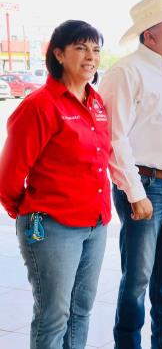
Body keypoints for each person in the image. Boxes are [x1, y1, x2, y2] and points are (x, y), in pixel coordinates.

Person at [0, 20, 110, 349]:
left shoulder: (96, 102)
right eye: (81, 48)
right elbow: (8, 173)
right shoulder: (39, 105)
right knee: (53, 314)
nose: (90, 56)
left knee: (81, 310)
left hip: (95, 223)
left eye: (95, 50)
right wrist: (27, 211)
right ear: (59, 54)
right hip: (52, 226)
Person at [99, 0, 162, 349]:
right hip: (144, 186)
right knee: (138, 279)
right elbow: (114, 139)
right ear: (149, 35)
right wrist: (135, 194)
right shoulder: (126, 72)